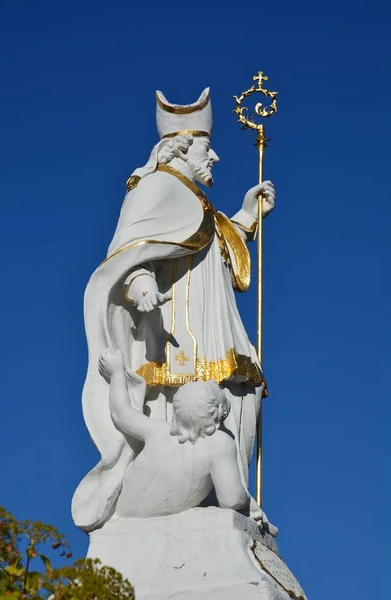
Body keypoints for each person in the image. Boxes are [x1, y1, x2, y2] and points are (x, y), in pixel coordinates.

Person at [72, 88, 276, 532]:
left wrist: (243, 217)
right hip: (177, 329)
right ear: (180, 147)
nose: (216, 157)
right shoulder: (155, 188)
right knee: (182, 401)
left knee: (244, 388)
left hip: (217, 320)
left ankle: (236, 493)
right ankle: (196, 498)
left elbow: (209, 247)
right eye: (207, 147)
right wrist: (140, 281)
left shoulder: (196, 201)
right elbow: (126, 252)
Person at [99, 348, 265, 523]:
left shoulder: (158, 431)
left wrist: (117, 372)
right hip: (152, 523)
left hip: (123, 515)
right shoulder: (218, 444)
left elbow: (121, 413)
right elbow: (232, 500)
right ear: (219, 411)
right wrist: (249, 502)